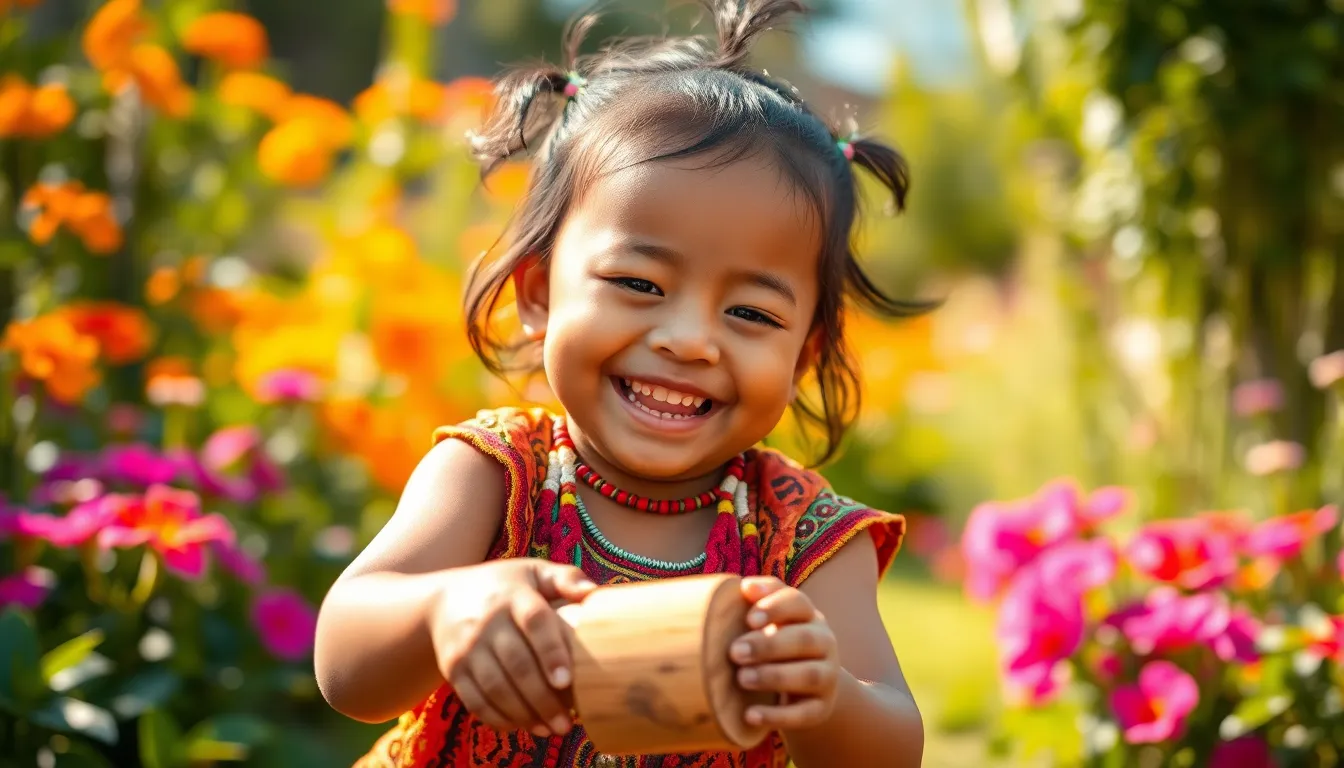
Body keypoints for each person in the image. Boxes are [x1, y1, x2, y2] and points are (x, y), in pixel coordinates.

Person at [315, 1, 929, 765]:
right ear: (538, 293)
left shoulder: (802, 538)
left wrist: (823, 693)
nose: (689, 340)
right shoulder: (497, 474)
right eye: (639, 284)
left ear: (802, 356)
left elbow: (893, 749)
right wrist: (447, 607)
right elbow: (345, 666)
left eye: (749, 312)